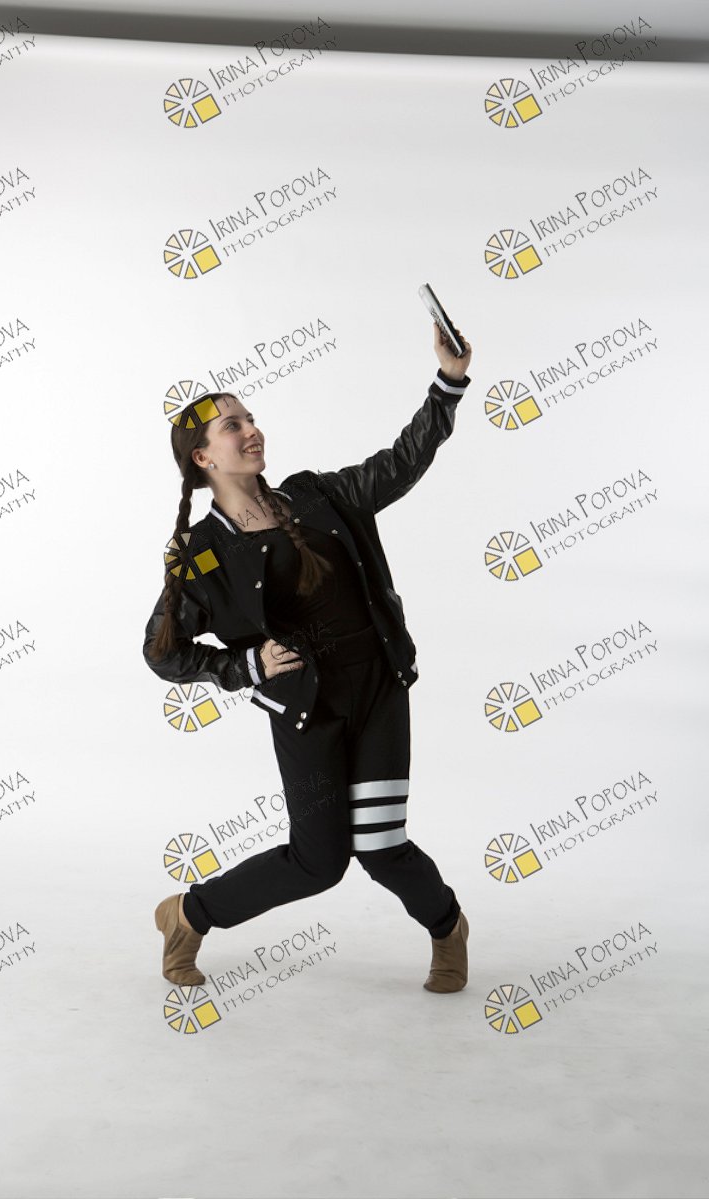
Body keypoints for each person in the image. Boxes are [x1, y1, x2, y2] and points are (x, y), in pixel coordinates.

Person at [143, 320, 473, 994]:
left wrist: (449, 382)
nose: (251, 430)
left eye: (251, 418)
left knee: (381, 846)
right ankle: (189, 914)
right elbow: (163, 652)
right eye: (232, 425)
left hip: (377, 686)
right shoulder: (202, 553)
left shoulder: (317, 493)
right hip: (306, 709)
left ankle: (448, 927)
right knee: (318, 862)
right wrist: (243, 668)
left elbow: (400, 462)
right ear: (203, 457)